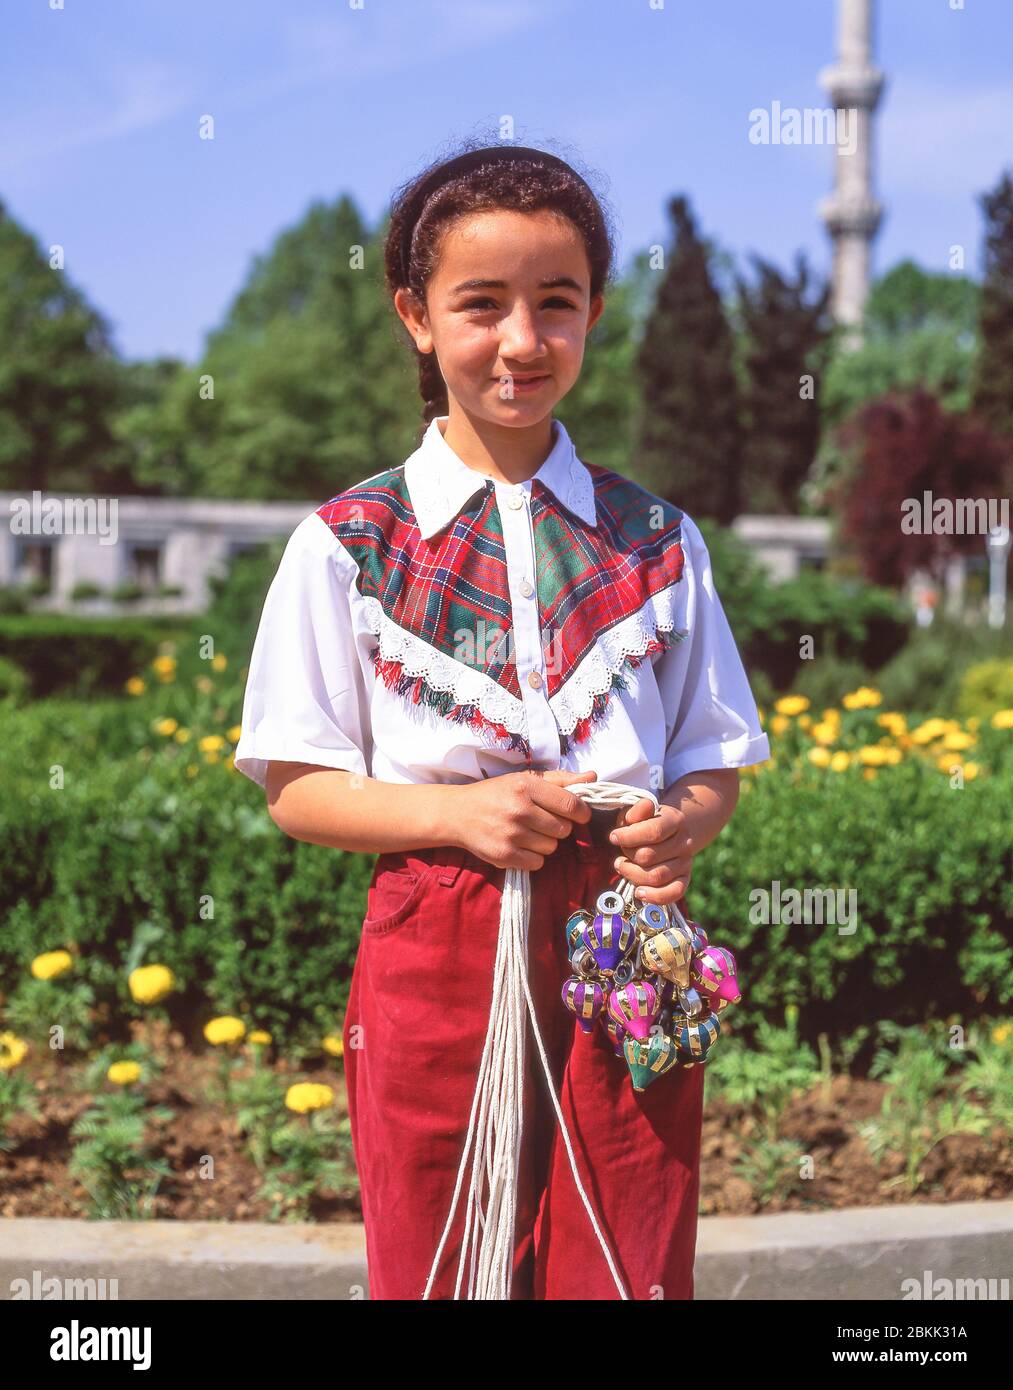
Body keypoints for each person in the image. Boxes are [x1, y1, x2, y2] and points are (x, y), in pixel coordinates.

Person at [233, 142, 771, 1300]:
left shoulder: (659, 542)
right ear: (416, 316)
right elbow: (296, 783)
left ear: (593, 316)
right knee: (442, 1242)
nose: (522, 341)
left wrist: (682, 823)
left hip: (630, 942)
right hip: (440, 934)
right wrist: (458, 813)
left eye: (556, 305)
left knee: (625, 1238)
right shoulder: (349, 545)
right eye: (482, 305)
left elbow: (714, 756)